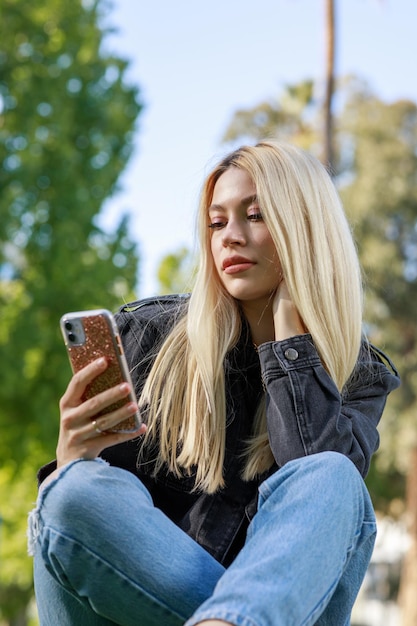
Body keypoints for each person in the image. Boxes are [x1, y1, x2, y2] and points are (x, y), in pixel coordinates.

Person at [29, 141, 400, 626]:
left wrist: (290, 348)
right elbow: (92, 531)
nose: (230, 237)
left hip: (283, 609)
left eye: (257, 216)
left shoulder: (358, 377)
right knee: (72, 491)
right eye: (217, 223)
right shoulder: (152, 339)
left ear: (306, 233)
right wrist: (69, 463)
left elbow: (317, 510)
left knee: (333, 476)